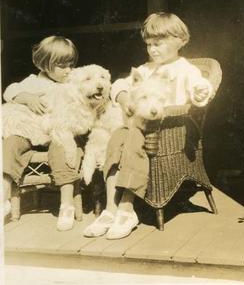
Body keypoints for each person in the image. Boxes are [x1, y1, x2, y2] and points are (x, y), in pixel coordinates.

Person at [83, 12, 213, 240]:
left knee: (132, 136)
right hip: (141, 128)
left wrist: (202, 91)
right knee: (116, 138)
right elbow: (120, 84)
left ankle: (126, 207)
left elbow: (199, 88)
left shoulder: (186, 70)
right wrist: (124, 98)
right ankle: (110, 209)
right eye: (149, 44)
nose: (153, 49)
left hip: (172, 130)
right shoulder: (145, 69)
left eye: (159, 44)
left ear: (179, 40)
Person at [2, 35, 81, 231]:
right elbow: (9, 91)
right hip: (31, 132)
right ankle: (3, 197)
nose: (68, 70)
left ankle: (66, 204)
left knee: (61, 146)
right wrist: (27, 98)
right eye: (62, 66)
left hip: (57, 131)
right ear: (45, 65)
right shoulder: (32, 82)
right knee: (11, 143)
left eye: (71, 65)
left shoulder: (71, 84)